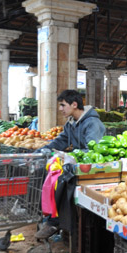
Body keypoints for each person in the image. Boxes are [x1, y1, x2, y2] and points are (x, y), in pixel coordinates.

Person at [35, 90, 105, 239]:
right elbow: (61, 140)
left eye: (63, 105)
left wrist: (70, 156)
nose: (60, 109)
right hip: (77, 165)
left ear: (74, 104)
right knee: (44, 172)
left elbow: (93, 151)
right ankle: (48, 216)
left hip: (92, 169)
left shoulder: (92, 123)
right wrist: (43, 150)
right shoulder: (71, 123)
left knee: (62, 180)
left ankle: (55, 223)